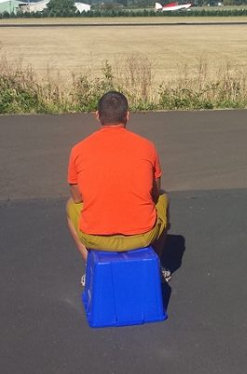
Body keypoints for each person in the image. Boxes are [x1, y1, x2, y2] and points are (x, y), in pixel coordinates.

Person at [66, 91, 170, 284]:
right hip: (143, 235)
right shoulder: (147, 146)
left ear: (97, 115)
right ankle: (155, 266)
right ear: (127, 115)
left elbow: (77, 197)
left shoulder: (78, 150)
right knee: (164, 199)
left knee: (70, 207)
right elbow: (155, 193)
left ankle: (93, 269)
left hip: (96, 237)